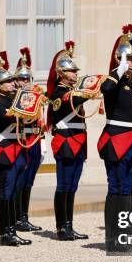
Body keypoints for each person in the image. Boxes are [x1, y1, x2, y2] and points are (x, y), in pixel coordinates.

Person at [99, 25, 132, 252]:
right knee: (117, 188)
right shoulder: (114, 78)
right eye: (129, 58)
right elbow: (106, 89)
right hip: (118, 139)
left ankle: (125, 230)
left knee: (130, 187)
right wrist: (119, 67)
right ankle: (114, 239)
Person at [0, 52, 32, 246]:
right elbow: (10, 117)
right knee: (6, 192)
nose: (13, 84)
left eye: (13, 81)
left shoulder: (15, 99)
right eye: (8, 82)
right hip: (5, 149)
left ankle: (13, 229)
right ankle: (5, 232)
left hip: (18, 147)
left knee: (16, 191)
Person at [46, 42, 90, 240]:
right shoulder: (58, 92)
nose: (75, 74)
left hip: (78, 140)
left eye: (75, 71)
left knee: (73, 186)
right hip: (65, 141)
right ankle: (61, 227)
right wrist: (88, 91)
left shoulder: (72, 90)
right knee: (63, 185)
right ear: (62, 73)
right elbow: (72, 100)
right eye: (71, 71)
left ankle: (69, 225)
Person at [13, 47, 43, 233]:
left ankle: (24, 216)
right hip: (21, 139)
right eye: (21, 79)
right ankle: (16, 217)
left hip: (34, 138)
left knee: (29, 180)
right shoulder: (14, 96)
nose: (25, 82)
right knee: (20, 179)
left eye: (27, 79)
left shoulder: (36, 94)